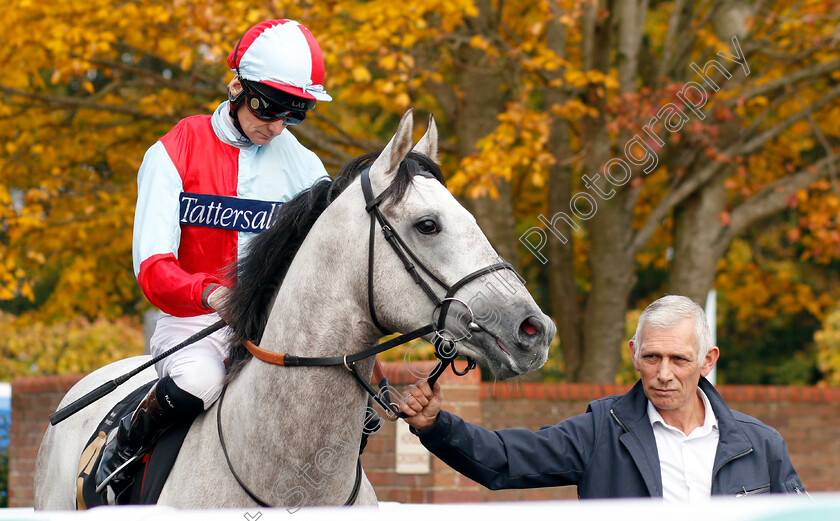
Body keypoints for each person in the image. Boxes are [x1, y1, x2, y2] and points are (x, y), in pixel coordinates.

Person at [96, 19, 332, 490]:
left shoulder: (307, 167)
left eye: (293, 114)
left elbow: (327, 266)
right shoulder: (172, 151)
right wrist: (212, 293)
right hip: (195, 325)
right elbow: (152, 269)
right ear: (237, 88)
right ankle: (125, 446)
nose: (277, 126)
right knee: (199, 383)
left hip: (272, 330)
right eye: (268, 110)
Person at [400, 295, 806, 501]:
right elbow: (504, 460)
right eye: (652, 357)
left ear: (707, 361)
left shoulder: (762, 445)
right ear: (634, 354)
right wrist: (437, 426)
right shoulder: (600, 431)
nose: (664, 373)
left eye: (679, 359)